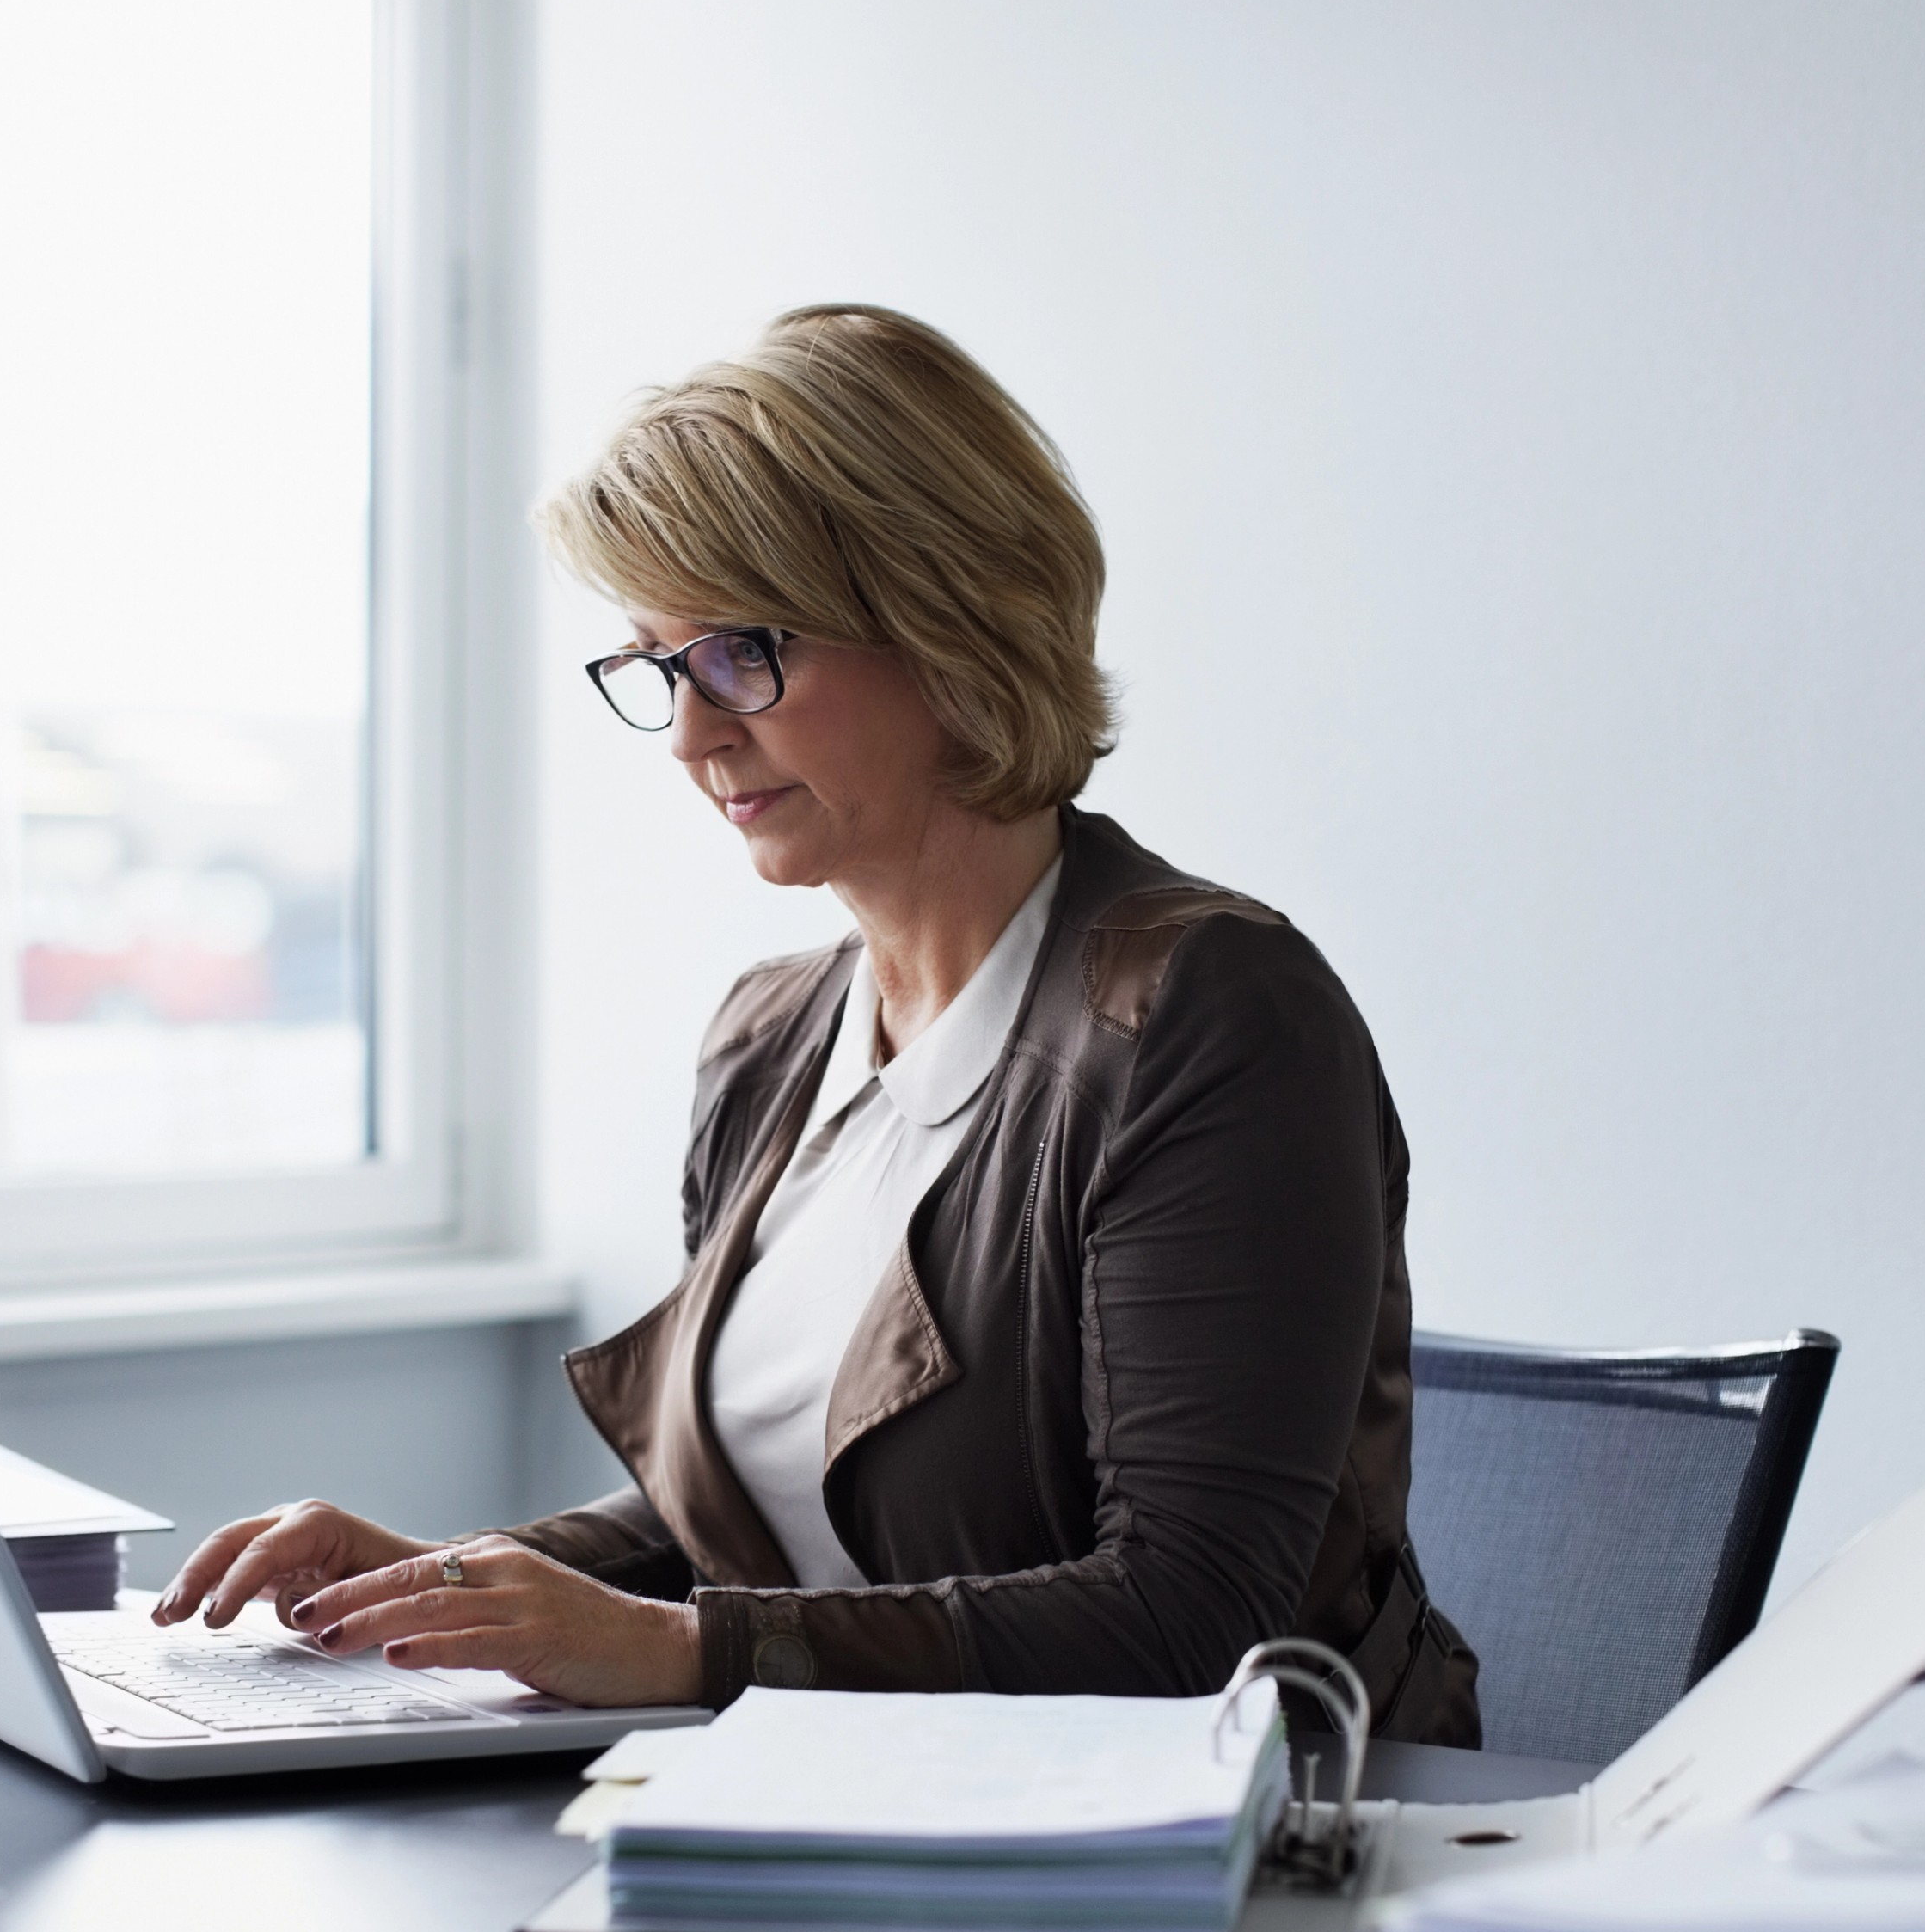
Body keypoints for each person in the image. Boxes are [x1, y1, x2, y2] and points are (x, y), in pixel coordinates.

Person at [154, 304, 1480, 1741]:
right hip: (868, 1810)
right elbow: (744, 1528)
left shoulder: (1211, 1012)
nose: (691, 734)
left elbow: (1187, 1616)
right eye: (659, 666)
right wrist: (455, 1583)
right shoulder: (772, 1038)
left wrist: (677, 1653)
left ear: (947, 620)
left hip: (1191, 1869)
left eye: (740, 653)